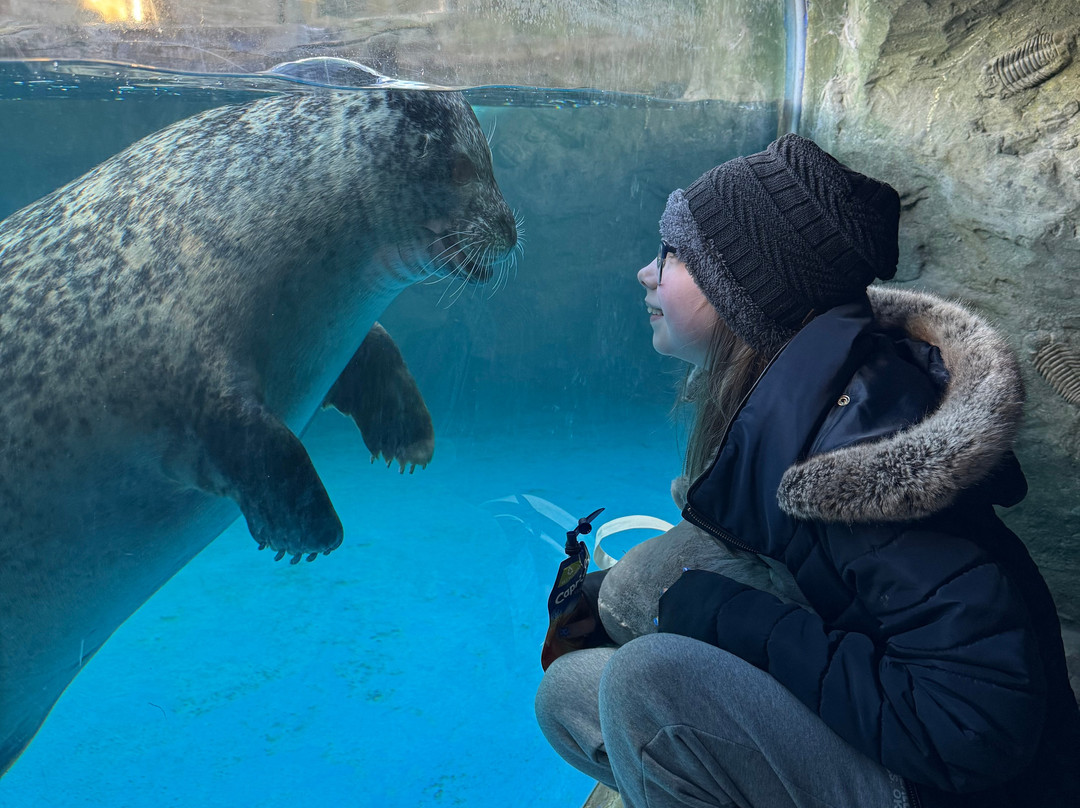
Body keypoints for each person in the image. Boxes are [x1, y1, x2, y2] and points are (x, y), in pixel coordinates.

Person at [534, 134, 1080, 808]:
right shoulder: (807, 407)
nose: (646, 273)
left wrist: (732, 619)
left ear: (744, 288)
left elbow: (976, 727)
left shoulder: (858, 456)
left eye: (673, 253)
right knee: (568, 699)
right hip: (900, 731)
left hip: (966, 783)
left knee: (647, 686)